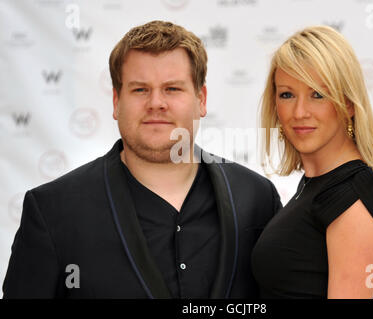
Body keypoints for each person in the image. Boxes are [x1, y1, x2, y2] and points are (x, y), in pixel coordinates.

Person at [3, 20, 281, 299]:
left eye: (172, 89)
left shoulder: (257, 198)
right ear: (115, 101)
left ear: (201, 99)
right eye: (140, 89)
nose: (156, 103)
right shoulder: (53, 211)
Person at [252, 25, 373, 299]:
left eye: (318, 94)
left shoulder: (351, 193)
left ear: (349, 103)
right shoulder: (317, 185)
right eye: (287, 94)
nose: (299, 112)